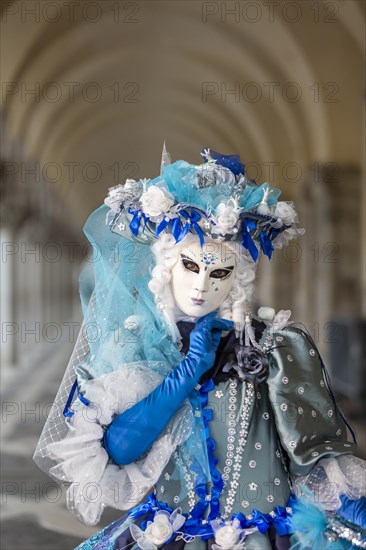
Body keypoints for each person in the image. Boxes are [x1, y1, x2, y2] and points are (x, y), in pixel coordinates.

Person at [33, 148, 365, 549]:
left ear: (237, 278)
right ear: (166, 266)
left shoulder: (275, 345)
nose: (201, 286)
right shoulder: (139, 349)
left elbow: (315, 462)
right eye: (190, 266)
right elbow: (118, 453)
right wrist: (184, 374)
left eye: (220, 272)